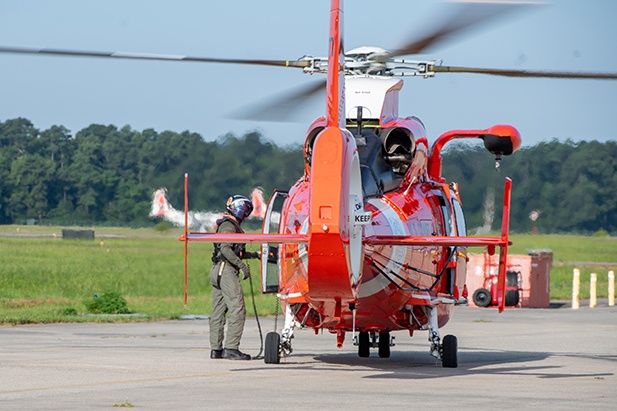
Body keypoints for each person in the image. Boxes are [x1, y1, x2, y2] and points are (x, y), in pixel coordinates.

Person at [209, 195, 259, 360]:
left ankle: (216, 350)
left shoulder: (225, 224)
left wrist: (255, 255)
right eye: (246, 212)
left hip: (217, 269)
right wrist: (242, 266)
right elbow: (226, 249)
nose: (246, 216)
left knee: (218, 312)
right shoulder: (229, 226)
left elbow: (233, 251)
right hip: (226, 270)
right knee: (237, 308)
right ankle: (231, 348)